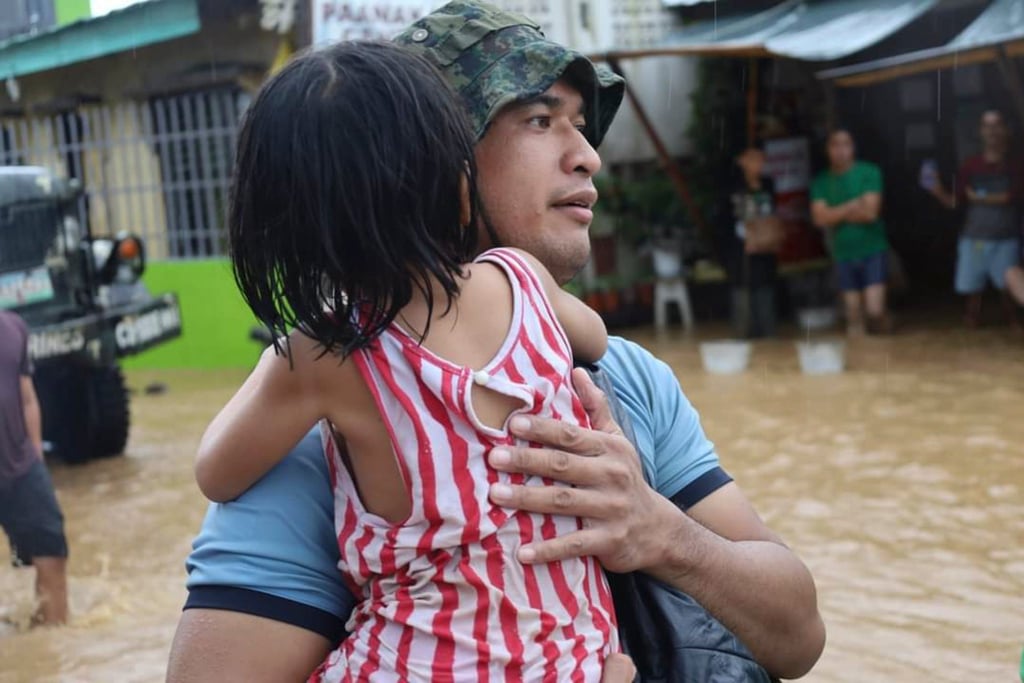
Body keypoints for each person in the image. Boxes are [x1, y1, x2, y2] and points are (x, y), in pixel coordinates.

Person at [166, 3, 825, 682]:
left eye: (581, 124)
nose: (588, 155)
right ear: (439, 157)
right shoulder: (315, 441)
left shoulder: (624, 378)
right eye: (540, 121)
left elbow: (798, 636)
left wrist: (662, 532)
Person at [195, 40, 617, 681]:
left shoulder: (324, 355)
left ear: (287, 222)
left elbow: (216, 473)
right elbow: (598, 339)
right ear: (454, 170)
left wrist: (292, 348)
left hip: (418, 663)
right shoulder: (524, 278)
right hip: (578, 657)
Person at [924, 109, 1023, 328]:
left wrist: (978, 196)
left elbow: (1011, 197)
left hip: (1006, 236)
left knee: (1008, 284)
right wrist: (937, 189)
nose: (992, 131)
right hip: (975, 236)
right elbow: (956, 201)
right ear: (980, 131)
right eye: (987, 125)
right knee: (972, 287)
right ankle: (972, 320)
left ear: (1006, 130)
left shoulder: (1016, 165)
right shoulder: (970, 165)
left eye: (997, 124)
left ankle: (1013, 321)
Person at [0, 310, 68, 627]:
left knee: (52, 550)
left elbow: (27, 398)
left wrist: (36, 454)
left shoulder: (13, 327)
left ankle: (51, 649)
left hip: (21, 464)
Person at [811, 127, 892, 336]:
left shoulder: (869, 172)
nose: (840, 150)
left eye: (845, 144)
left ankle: (886, 338)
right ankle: (862, 363)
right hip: (843, 253)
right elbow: (819, 219)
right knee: (853, 318)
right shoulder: (820, 181)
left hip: (872, 248)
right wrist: (852, 206)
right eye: (835, 145)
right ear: (827, 150)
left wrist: (834, 213)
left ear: (853, 147)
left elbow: (870, 213)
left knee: (874, 311)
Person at [719, 145, 783, 338]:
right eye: (752, 158)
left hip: (765, 254)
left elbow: (773, 218)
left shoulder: (768, 185)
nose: (757, 163)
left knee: (766, 301)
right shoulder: (732, 189)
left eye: (760, 158)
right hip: (741, 255)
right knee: (742, 303)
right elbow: (725, 224)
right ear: (742, 161)